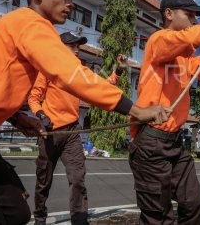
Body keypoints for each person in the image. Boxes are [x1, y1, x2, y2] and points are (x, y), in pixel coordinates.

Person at [0, 0, 170, 225]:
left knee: (17, 211)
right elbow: (71, 75)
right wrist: (135, 109)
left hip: (55, 130)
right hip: (49, 131)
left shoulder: (13, 26)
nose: (70, 3)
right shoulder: (32, 25)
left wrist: (17, 118)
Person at [128, 0, 200, 224]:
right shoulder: (159, 40)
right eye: (189, 14)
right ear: (168, 14)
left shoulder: (184, 57)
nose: (193, 21)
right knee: (158, 215)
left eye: (195, 17)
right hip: (151, 140)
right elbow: (188, 39)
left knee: (193, 204)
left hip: (174, 141)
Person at [27, 32, 127, 225]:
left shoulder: (79, 71)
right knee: (43, 182)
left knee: (78, 179)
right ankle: (40, 218)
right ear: (61, 46)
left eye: (78, 45)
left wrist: (118, 72)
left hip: (72, 132)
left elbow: (99, 87)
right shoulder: (47, 68)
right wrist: (41, 115)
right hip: (49, 133)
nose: (77, 48)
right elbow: (33, 98)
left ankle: (80, 220)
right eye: (73, 45)